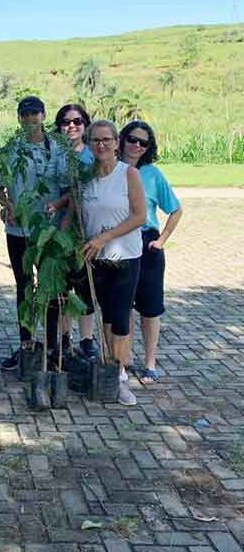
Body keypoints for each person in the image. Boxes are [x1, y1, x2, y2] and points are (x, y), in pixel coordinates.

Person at [80, 119, 147, 406]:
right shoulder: (87, 176)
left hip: (124, 258)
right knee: (106, 318)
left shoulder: (128, 174)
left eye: (107, 139)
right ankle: (110, 368)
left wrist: (104, 238)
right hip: (96, 261)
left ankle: (120, 377)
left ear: (116, 142)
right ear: (89, 143)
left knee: (120, 320)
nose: (101, 145)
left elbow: (139, 216)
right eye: (95, 140)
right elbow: (74, 205)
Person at [0, 96, 67, 371]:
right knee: (24, 287)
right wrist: (8, 205)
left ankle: (51, 348)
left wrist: (57, 206)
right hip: (19, 231)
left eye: (34, 113)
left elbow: (67, 190)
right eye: (25, 114)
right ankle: (26, 344)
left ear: (43, 115)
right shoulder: (10, 149)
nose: (30, 119)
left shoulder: (58, 148)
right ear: (18, 118)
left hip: (48, 231)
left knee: (50, 287)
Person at [119, 120, 182, 384]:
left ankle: (149, 362)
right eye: (132, 139)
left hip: (146, 242)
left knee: (150, 307)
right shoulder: (110, 169)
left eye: (143, 142)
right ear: (122, 139)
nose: (136, 145)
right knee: (122, 305)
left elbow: (175, 209)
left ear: (148, 147)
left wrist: (162, 239)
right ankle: (124, 360)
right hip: (119, 242)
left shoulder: (153, 175)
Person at [54, 103, 99, 360]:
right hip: (56, 230)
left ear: (85, 125)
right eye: (66, 121)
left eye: (78, 121)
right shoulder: (55, 153)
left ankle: (87, 339)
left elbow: (82, 192)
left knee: (84, 287)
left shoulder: (91, 155)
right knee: (60, 287)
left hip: (83, 229)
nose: (72, 126)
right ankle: (64, 337)